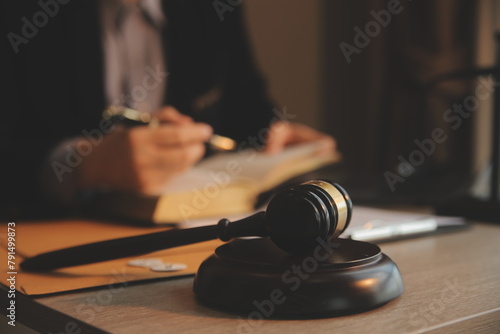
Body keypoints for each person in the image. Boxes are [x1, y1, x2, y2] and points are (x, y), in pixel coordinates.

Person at [1, 0, 335, 219]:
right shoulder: (21, 15)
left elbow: (245, 106)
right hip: (45, 239)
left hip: (194, 236)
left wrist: (273, 134)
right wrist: (80, 164)